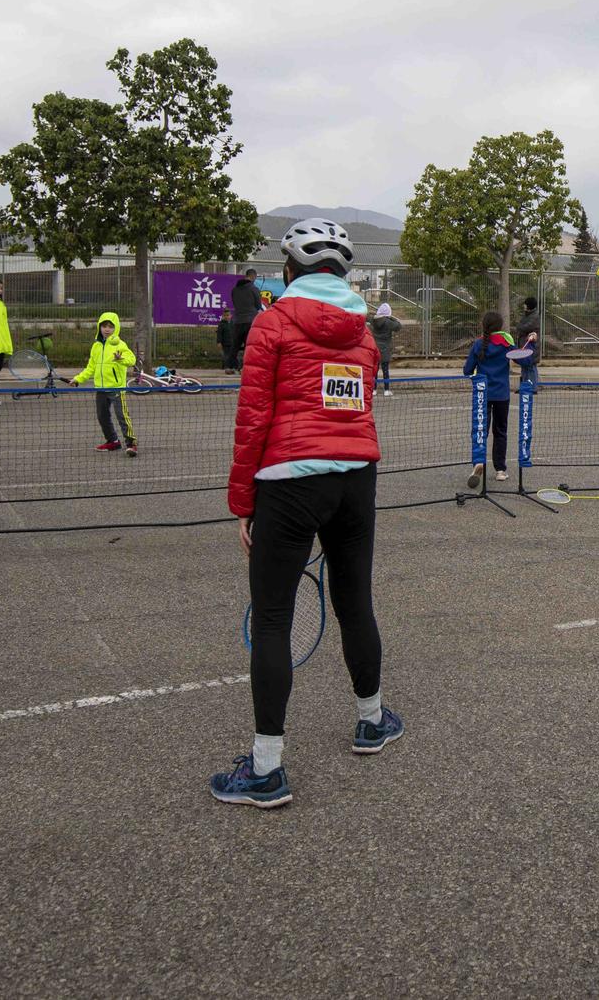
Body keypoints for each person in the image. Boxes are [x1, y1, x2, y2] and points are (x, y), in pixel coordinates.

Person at [212, 217, 399, 809]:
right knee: (355, 601)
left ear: (289, 271)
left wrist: (243, 501)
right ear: (343, 274)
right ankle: (371, 721)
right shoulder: (364, 335)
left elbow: (253, 423)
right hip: (355, 481)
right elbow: (356, 407)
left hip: (289, 484)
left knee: (271, 620)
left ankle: (266, 770)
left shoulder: (271, 325)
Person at [463, 312, 516, 490]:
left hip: (482, 394)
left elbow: (467, 370)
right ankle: (500, 469)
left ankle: (478, 462)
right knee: (500, 431)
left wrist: (475, 376)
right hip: (502, 394)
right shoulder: (507, 344)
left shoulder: (478, 345)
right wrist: (531, 342)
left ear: (484, 325)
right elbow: (523, 359)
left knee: (479, 430)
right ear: (500, 327)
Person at [73, 311, 138, 457]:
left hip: (117, 388)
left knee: (122, 416)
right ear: (99, 327)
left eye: (110, 326)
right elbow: (91, 368)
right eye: (104, 326)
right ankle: (113, 441)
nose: (107, 329)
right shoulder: (96, 346)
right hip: (101, 388)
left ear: (116, 328)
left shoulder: (120, 344)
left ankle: (131, 444)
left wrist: (120, 359)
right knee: (102, 416)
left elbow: (132, 360)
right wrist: (78, 379)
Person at [227, 269, 260, 372]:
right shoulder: (254, 289)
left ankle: (230, 366)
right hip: (250, 321)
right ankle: (244, 367)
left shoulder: (234, 290)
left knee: (235, 345)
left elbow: (235, 303)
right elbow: (258, 305)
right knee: (248, 345)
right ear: (253, 276)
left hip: (238, 320)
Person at [370, 302, 402, 396]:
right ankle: (386, 390)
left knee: (374, 371)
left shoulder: (374, 320)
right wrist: (391, 317)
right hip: (384, 349)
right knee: (385, 370)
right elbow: (398, 326)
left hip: (375, 349)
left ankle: (373, 390)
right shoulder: (389, 322)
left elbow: (368, 316)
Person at [516, 296, 541, 391]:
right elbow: (521, 326)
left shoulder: (534, 316)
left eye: (525, 304)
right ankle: (524, 387)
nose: (524, 306)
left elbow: (525, 327)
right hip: (524, 345)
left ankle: (533, 387)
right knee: (524, 367)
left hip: (531, 346)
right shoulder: (527, 315)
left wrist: (520, 327)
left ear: (529, 306)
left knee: (531, 366)